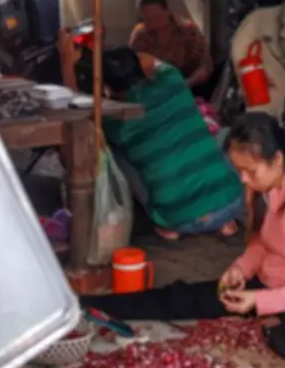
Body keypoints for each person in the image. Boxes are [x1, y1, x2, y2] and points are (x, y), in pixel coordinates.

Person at [80, 113, 285, 364]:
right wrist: (240, 269)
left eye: (251, 171)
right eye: (239, 171)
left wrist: (261, 302)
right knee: (184, 298)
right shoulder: (261, 191)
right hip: (269, 285)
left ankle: (269, 319)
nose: (243, 180)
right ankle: (90, 304)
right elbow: (262, 243)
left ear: (277, 160)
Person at [58, 30, 243, 243]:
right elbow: (151, 61)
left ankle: (166, 226)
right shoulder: (172, 79)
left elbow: (75, 109)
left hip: (179, 218)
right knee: (218, 136)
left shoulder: (117, 121)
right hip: (233, 202)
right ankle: (224, 220)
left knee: (116, 152)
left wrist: (67, 62)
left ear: (107, 89)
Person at [129, 0, 213, 88]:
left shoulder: (187, 30)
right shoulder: (140, 34)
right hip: (154, 86)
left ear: (167, 11)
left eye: (157, 17)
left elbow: (205, 66)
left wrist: (187, 84)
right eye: (149, 20)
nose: (155, 24)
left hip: (187, 84)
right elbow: (132, 68)